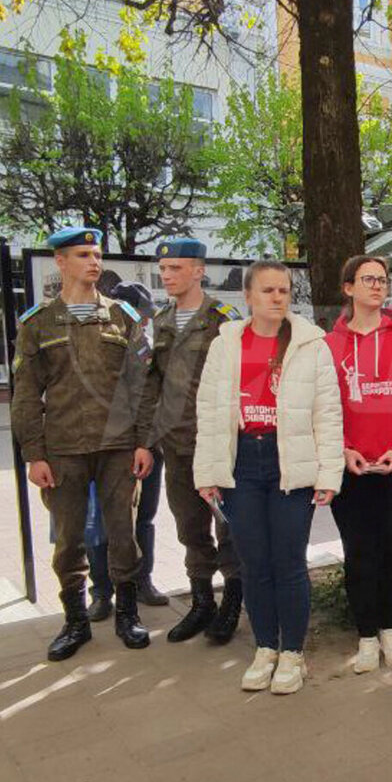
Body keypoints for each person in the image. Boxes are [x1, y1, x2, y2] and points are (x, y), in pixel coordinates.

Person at [193, 260, 343, 694]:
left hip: (289, 463)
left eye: (283, 291)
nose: (277, 298)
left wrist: (328, 473)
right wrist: (207, 471)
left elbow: (328, 414)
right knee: (254, 564)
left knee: (289, 563)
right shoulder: (226, 344)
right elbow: (208, 411)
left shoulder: (311, 345)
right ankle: (265, 648)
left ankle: (293, 652)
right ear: (248, 297)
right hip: (243, 465)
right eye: (267, 291)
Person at [10, 227, 156, 660]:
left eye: (96, 254)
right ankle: (75, 622)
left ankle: (128, 614)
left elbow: (141, 387)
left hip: (117, 448)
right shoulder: (38, 323)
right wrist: (33, 454)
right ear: (61, 262)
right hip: (64, 449)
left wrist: (143, 443)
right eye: (82, 254)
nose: (94, 262)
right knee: (69, 539)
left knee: (123, 534)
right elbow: (25, 393)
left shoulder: (123, 316)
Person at [326, 255, 392, 673]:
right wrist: (344, 447)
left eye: (382, 280)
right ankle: (366, 634)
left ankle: (390, 626)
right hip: (350, 468)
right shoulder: (329, 345)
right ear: (348, 288)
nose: (376, 286)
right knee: (358, 551)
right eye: (367, 279)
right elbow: (324, 407)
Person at [142, 238, 245, 644]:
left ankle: (233, 603)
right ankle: (202, 603)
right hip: (177, 444)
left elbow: (240, 380)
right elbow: (152, 385)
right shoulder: (161, 321)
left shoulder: (224, 318)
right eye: (163, 269)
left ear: (199, 271)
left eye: (176, 268)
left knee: (228, 528)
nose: (167, 276)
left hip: (217, 444)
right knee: (190, 527)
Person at [86, 281, 168, 619]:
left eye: (143, 318)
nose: (141, 323)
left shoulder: (151, 350)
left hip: (145, 445)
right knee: (99, 522)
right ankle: (102, 592)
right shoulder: (95, 348)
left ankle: (141, 581)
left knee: (144, 518)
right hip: (103, 447)